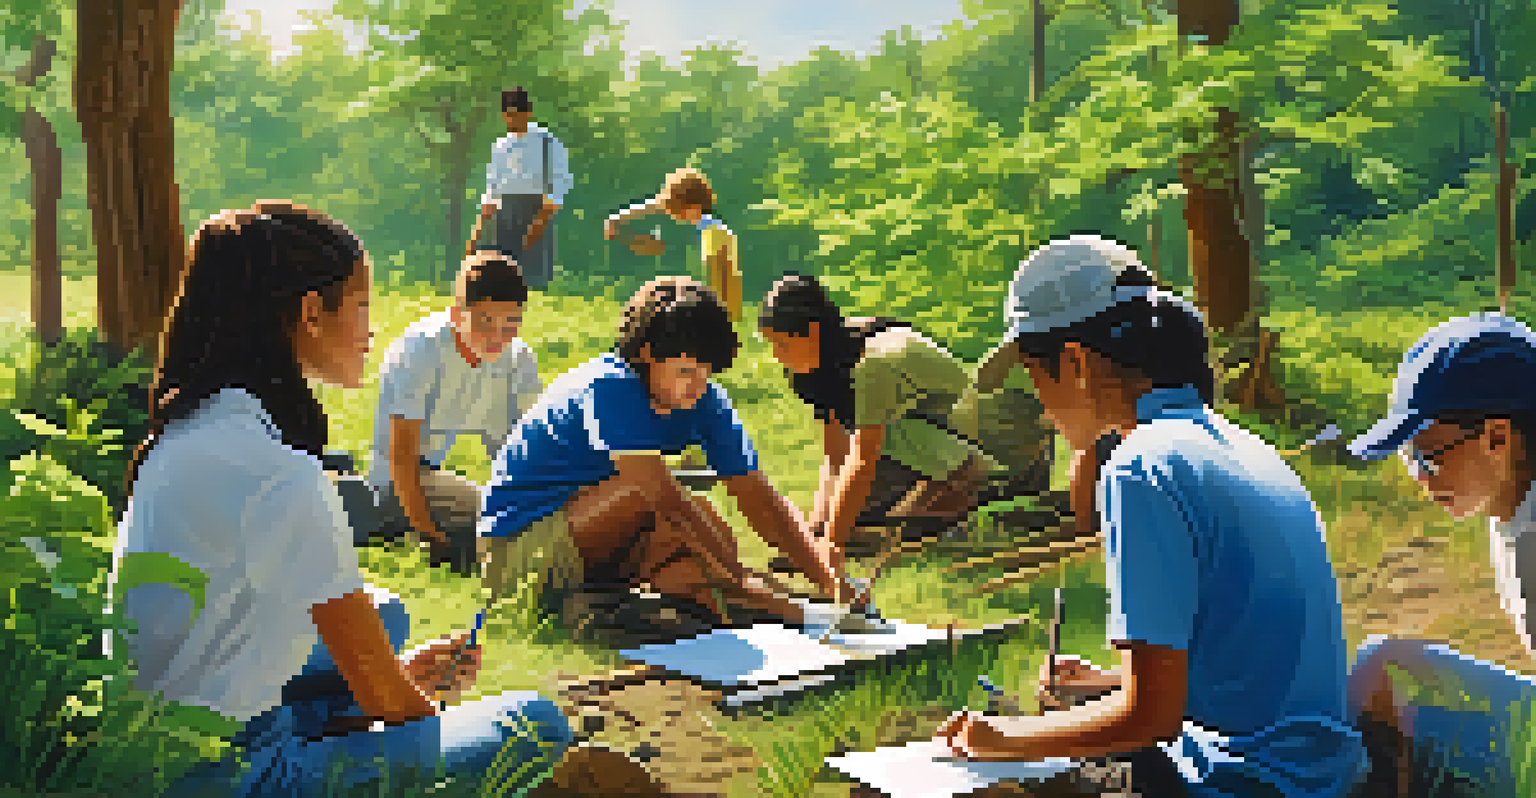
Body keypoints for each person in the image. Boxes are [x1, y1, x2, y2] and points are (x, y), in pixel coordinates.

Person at [105, 201, 585, 798]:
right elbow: (397, 708)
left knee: (384, 615)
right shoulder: (282, 476)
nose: (371, 329)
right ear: (310, 312)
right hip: (238, 776)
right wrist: (416, 720)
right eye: (361, 305)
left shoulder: (186, 430)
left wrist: (385, 688)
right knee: (535, 726)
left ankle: (333, 720)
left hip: (150, 744)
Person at [933, 234, 1367, 797]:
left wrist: (1008, 738)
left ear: (1074, 363)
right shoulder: (1239, 446)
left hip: (1243, 782)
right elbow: (1250, 671)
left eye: (1032, 376)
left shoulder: (1139, 469)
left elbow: (1149, 720)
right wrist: (1110, 682)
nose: (1037, 399)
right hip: (1320, 774)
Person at [479, 276, 840, 628]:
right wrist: (743, 578)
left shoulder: (706, 400)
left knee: (702, 555)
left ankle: (786, 609)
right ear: (646, 354)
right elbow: (662, 498)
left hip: (592, 538)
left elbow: (760, 499)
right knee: (685, 517)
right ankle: (791, 612)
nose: (696, 386)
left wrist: (827, 578)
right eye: (684, 371)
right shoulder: (609, 385)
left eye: (706, 372)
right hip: (517, 551)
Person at [756, 273, 1049, 598]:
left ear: (811, 332)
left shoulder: (874, 364)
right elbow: (834, 456)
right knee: (858, 511)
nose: (776, 355)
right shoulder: (823, 363)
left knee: (869, 461)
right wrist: (816, 531)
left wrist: (831, 548)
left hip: (1009, 450)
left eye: (781, 344)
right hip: (935, 442)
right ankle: (934, 507)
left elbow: (861, 460)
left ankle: (966, 491)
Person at [1345, 313, 1536, 797]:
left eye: (1429, 456)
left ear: (1497, 438)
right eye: (1410, 459)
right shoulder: (1511, 505)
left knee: (1383, 689)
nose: (1420, 479)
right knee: (1382, 668)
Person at [361, 251, 542, 577]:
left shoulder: (517, 357)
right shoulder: (420, 351)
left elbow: (531, 448)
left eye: (510, 324)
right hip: (397, 483)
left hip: (436, 482)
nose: (497, 337)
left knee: (532, 515)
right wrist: (432, 539)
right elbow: (401, 457)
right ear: (457, 313)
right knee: (485, 509)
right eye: (485, 322)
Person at [603, 168, 743, 324]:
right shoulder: (693, 226)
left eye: (676, 208)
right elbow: (659, 205)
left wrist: (723, 318)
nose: (671, 213)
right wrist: (617, 219)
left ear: (693, 205)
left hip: (707, 316)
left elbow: (725, 282)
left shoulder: (714, 232)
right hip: (691, 311)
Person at [470, 86, 572, 291]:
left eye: (515, 116)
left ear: (528, 113)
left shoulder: (547, 142)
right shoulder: (501, 145)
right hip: (505, 211)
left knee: (533, 271)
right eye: (507, 117)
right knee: (503, 270)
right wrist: (478, 229)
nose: (511, 122)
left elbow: (560, 181)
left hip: (537, 208)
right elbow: (492, 186)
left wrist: (541, 219)